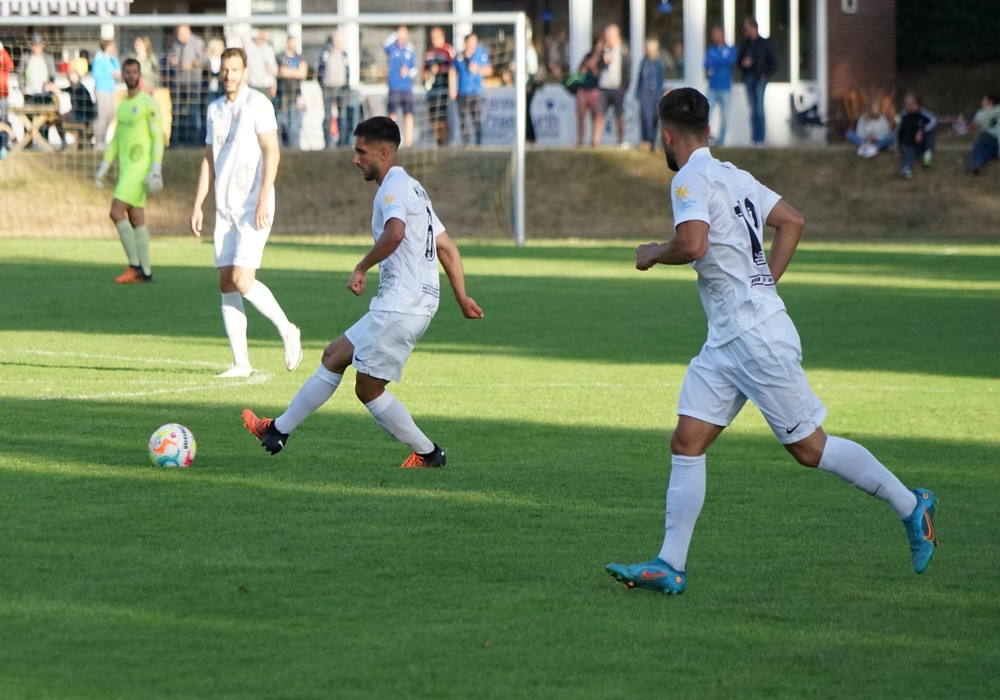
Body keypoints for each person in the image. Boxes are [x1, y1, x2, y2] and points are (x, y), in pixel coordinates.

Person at [605, 88, 938, 596]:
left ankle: (913, 506)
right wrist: (764, 284)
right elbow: (791, 222)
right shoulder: (735, 176)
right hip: (728, 341)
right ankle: (670, 564)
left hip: (755, 339)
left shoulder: (689, 178)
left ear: (667, 136)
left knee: (810, 448)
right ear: (708, 130)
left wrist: (653, 252)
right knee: (687, 441)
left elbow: (693, 243)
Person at [241, 116, 484, 467]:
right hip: (408, 303)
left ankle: (429, 454)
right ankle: (277, 430)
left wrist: (361, 267)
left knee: (368, 389)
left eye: (361, 152)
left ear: (383, 153)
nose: (355, 159)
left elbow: (395, 233)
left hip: (401, 304)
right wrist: (461, 297)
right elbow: (446, 246)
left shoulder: (392, 190)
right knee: (334, 355)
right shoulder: (414, 188)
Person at [189, 47, 302, 379]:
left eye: (235, 69)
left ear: (245, 72)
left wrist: (264, 196)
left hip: (254, 206)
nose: (229, 75)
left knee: (242, 279)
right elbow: (209, 159)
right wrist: (198, 203)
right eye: (225, 69)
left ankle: (288, 330)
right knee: (226, 280)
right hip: (225, 209)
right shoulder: (214, 110)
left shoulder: (258, 104)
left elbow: (273, 151)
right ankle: (241, 363)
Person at [94, 58, 164, 284]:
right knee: (136, 218)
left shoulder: (148, 103)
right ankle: (146, 272)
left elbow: (158, 137)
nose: (131, 76)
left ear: (139, 75)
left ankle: (134, 266)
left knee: (115, 212)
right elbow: (115, 141)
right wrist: (104, 167)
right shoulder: (123, 106)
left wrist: (156, 168)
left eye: (135, 72)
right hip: (127, 170)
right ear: (122, 75)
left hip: (140, 169)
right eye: (128, 72)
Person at [737, 17, 777, 146]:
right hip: (749, 79)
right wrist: (743, 64)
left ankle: (760, 140)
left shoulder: (765, 43)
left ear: (754, 28)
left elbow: (774, 62)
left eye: (747, 28)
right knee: (753, 110)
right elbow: (738, 61)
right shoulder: (745, 44)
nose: (745, 31)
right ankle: (754, 139)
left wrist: (764, 74)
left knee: (759, 109)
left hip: (760, 79)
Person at [450, 33, 493, 146]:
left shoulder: (481, 54)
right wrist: (452, 89)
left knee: (476, 119)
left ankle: (478, 143)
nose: (473, 45)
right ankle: (466, 144)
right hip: (462, 93)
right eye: (471, 42)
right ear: (466, 43)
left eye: (475, 42)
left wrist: (477, 68)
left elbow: (489, 71)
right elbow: (452, 71)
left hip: (476, 93)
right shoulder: (459, 57)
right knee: (463, 120)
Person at [168, 25, 207, 147]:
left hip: (193, 83)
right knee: (176, 113)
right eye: (178, 35)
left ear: (188, 32)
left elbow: (205, 60)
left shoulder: (198, 42)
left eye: (182, 35)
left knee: (192, 113)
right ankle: (175, 142)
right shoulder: (176, 43)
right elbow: (173, 56)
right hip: (179, 83)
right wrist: (172, 60)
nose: (179, 37)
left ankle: (192, 142)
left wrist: (192, 64)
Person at [594, 24, 630, 148]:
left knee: (619, 115)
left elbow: (627, 69)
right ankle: (595, 142)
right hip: (604, 87)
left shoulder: (623, 50)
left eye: (608, 35)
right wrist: (603, 61)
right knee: (599, 114)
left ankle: (620, 141)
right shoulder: (605, 49)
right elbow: (597, 67)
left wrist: (624, 86)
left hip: (617, 88)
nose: (606, 38)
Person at [704, 26, 737, 146]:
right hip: (712, 87)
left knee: (725, 117)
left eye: (715, 35)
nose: (713, 38)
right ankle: (704, 139)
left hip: (725, 88)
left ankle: (721, 141)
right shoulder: (711, 50)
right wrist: (721, 62)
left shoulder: (730, 49)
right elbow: (706, 64)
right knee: (706, 115)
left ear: (721, 36)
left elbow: (730, 61)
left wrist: (716, 61)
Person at [383, 26, 416, 148]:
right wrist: (394, 35)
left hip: (407, 87)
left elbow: (415, 68)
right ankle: (391, 142)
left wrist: (408, 72)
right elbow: (384, 44)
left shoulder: (410, 49)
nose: (401, 37)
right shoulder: (392, 48)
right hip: (394, 87)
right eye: (399, 34)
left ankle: (408, 143)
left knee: (408, 114)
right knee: (392, 114)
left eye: (403, 34)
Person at [318, 30, 351, 147]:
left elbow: (348, 71)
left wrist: (346, 85)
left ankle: (342, 142)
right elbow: (320, 70)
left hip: (341, 88)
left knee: (342, 115)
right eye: (338, 39)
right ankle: (327, 142)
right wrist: (323, 85)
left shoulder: (344, 55)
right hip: (328, 87)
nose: (340, 42)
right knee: (327, 115)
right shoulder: (326, 53)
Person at [423, 26, 454, 146]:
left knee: (442, 118)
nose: (434, 40)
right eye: (432, 37)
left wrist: (440, 69)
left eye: (436, 37)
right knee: (433, 118)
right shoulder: (429, 53)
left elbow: (453, 69)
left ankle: (444, 144)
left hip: (444, 89)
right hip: (432, 90)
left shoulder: (448, 51)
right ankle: (438, 143)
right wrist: (428, 74)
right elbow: (424, 72)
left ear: (442, 37)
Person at [276, 35, 308, 148]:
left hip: (295, 95)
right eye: (292, 42)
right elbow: (278, 72)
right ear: (287, 43)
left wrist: (288, 72)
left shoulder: (300, 57)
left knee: (294, 125)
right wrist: (294, 71)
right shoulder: (279, 56)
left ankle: (295, 149)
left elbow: (303, 73)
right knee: (282, 122)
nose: (294, 45)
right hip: (282, 95)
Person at [894, 93, 936, 178]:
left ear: (917, 104)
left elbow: (933, 121)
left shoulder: (923, 113)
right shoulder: (903, 115)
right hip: (910, 143)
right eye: (907, 103)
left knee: (930, 132)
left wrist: (922, 131)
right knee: (908, 151)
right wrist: (897, 148)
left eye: (911, 103)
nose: (908, 106)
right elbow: (897, 132)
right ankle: (907, 169)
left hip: (923, 142)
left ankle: (927, 154)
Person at [91, 40, 121, 150]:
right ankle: (99, 141)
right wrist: (111, 74)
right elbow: (96, 74)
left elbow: (118, 71)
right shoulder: (100, 58)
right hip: (102, 89)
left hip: (110, 89)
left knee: (111, 114)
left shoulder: (111, 59)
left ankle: (103, 140)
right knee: (102, 116)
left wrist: (115, 58)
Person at [635, 38, 665, 151]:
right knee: (644, 118)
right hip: (644, 93)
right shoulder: (643, 62)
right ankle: (645, 141)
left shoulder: (659, 63)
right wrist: (637, 92)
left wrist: (659, 94)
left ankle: (652, 142)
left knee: (654, 119)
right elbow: (640, 78)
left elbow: (660, 80)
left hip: (655, 94)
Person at [575, 35, 604, 147]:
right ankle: (580, 141)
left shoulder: (603, 58)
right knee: (581, 116)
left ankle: (594, 141)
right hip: (583, 89)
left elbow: (599, 74)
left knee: (595, 117)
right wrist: (585, 67)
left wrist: (592, 66)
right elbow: (580, 71)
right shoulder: (587, 56)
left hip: (594, 90)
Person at [967, 93, 1000, 174]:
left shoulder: (997, 110)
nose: (982, 101)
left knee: (986, 149)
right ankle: (976, 165)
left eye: (984, 99)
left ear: (990, 101)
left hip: (995, 139)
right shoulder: (980, 113)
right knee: (979, 146)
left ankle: (974, 165)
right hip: (984, 137)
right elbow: (976, 126)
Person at [244, 27, 278, 104]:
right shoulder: (250, 47)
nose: (261, 38)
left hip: (266, 87)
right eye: (260, 35)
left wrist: (274, 85)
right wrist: (257, 33)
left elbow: (274, 69)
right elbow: (244, 35)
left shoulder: (269, 49)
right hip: (252, 86)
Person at [0, 40, 12, 159]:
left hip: (2, 95)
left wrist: (2, 51)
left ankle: (3, 145)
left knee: (4, 121)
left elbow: (10, 65)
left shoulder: (3, 57)